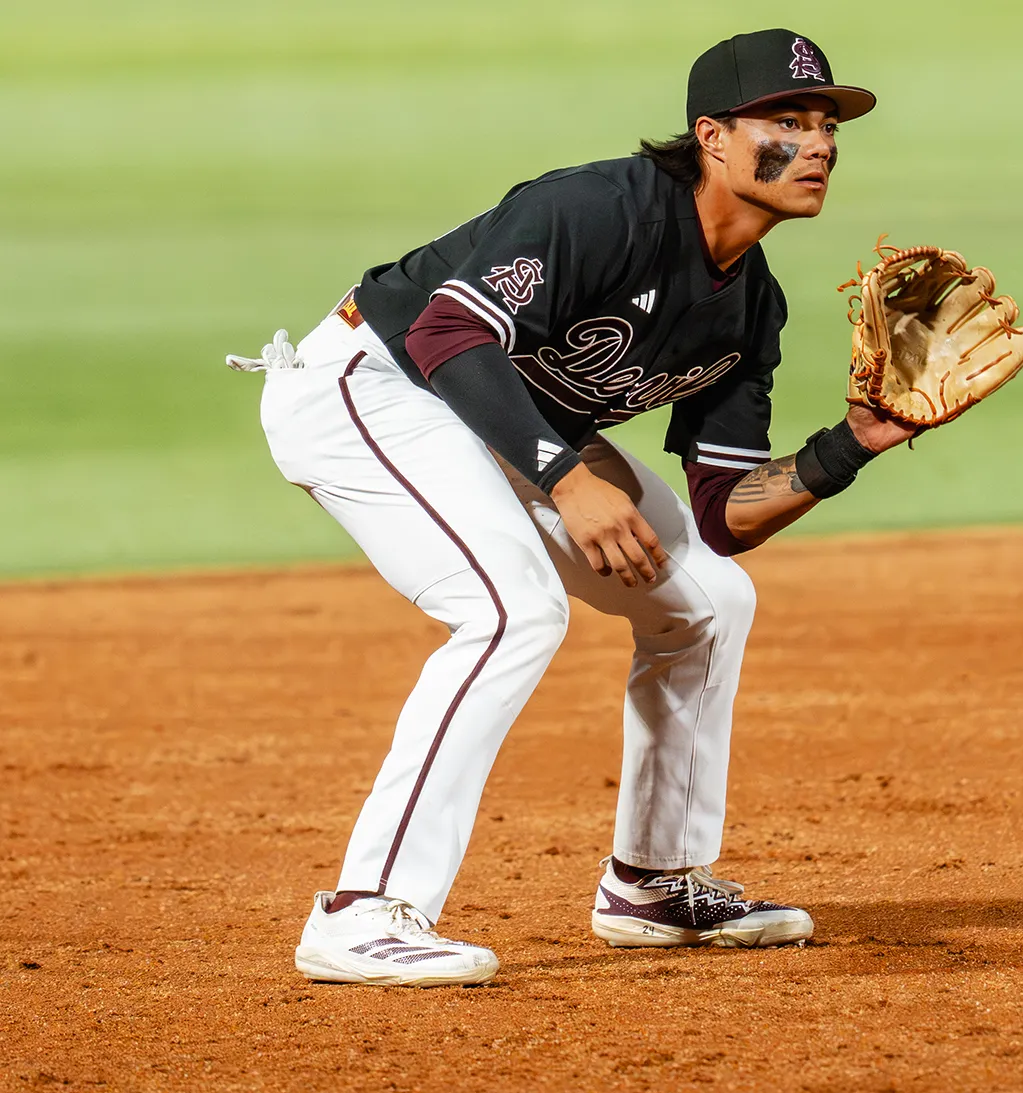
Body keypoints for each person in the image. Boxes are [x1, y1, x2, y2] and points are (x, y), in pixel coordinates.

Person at [232, 29, 910, 986]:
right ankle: (362, 911)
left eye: (827, 126)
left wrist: (849, 448)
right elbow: (447, 331)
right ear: (711, 137)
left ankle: (654, 884)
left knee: (710, 601)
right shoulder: (598, 209)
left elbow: (722, 515)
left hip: (507, 425)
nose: (820, 144)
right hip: (371, 386)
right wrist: (565, 476)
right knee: (509, 609)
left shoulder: (751, 306)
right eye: (788, 122)